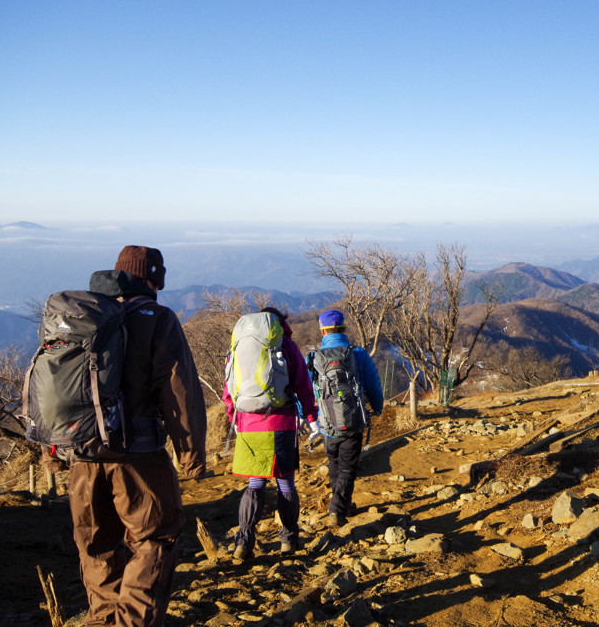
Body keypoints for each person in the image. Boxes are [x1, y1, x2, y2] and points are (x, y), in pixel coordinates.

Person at [69, 245, 207, 627]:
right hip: (138, 456)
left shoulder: (80, 317)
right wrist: (191, 454)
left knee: (97, 548)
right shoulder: (156, 319)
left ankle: (102, 621)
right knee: (155, 539)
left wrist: (56, 451)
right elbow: (178, 392)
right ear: (152, 277)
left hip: (80, 455)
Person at [223, 307, 319, 560]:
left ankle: (244, 542)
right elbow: (303, 384)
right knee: (285, 482)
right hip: (281, 422)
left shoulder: (239, 345)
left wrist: (233, 415)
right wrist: (311, 417)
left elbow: (228, 386)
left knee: (255, 484)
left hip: (247, 424)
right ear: (278, 324)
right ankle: (288, 540)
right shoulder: (285, 345)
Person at [309, 308, 384, 527]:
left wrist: (309, 417)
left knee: (334, 463)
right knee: (349, 466)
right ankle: (337, 509)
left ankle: (342, 503)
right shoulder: (358, 353)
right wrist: (378, 407)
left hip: (327, 423)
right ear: (343, 328)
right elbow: (373, 384)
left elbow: (305, 391)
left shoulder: (313, 358)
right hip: (354, 420)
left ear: (323, 331)